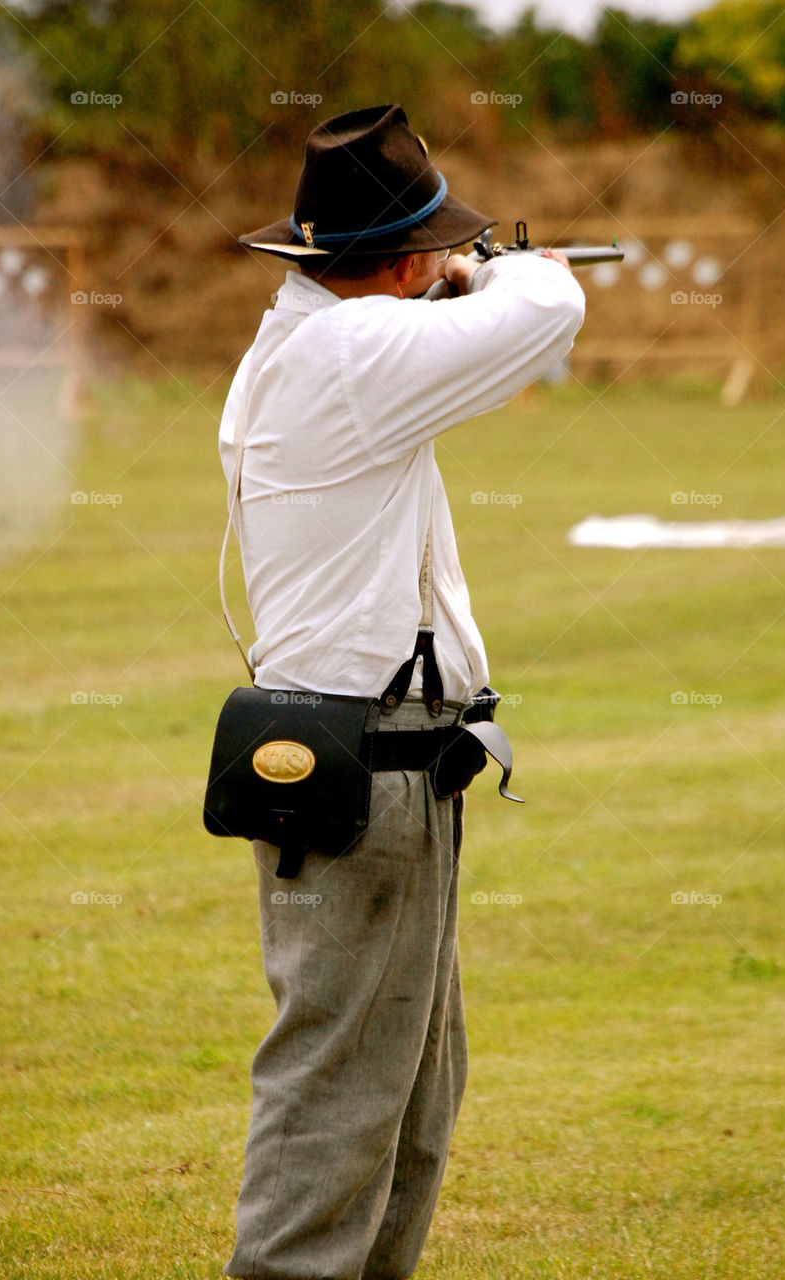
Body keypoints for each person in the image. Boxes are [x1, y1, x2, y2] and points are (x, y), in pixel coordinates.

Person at [218, 103, 585, 1280]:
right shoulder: (343, 355)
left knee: (412, 1089)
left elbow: (494, 335)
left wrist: (452, 276)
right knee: (340, 1085)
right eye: (429, 248)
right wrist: (510, 267)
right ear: (402, 259)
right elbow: (553, 312)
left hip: (387, 758)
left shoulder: (322, 341)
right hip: (364, 759)